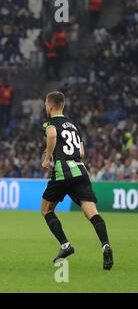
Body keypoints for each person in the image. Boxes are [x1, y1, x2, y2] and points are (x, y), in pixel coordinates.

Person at [41, 91, 113, 270]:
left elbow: (51, 136)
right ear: (63, 105)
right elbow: (81, 152)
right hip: (80, 170)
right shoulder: (73, 125)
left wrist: (47, 157)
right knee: (92, 212)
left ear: (49, 106)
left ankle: (65, 245)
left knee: (46, 210)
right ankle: (106, 245)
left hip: (62, 171)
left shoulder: (50, 123)